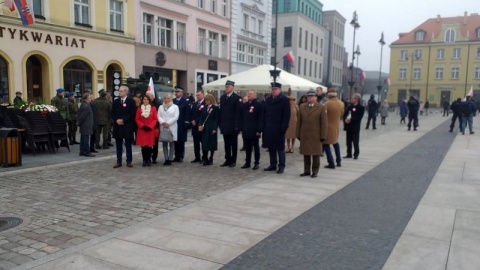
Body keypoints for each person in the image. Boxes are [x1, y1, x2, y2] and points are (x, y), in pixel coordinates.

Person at [297, 89, 328, 178]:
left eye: (311, 96)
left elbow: (324, 123)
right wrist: (298, 133)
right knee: (306, 153)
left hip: (316, 135)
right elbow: (299, 121)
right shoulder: (302, 106)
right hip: (305, 134)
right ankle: (306, 170)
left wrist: (323, 135)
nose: (309, 98)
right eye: (308, 96)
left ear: (315, 97)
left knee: (315, 154)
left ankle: (315, 171)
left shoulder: (321, 107)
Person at [262, 82, 291, 174]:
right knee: (271, 147)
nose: (273, 91)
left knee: (280, 148)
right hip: (269, 127)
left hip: (279, 128)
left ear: (280, 90)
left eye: (275, 89)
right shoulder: (268, 99)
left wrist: (283, 128)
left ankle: (281, 166)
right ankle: (273, 164)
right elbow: (265, 113)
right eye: (272, 89)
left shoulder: (284, 100)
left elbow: (286, 116)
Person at [112, 85, 137, 168]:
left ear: (126, 92)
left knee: (128, 145)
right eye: (119, 91)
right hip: (118, 126)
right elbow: (112, 113)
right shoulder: (116, 101)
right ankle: (118, 161)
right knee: (118, 145)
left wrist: (123, 120)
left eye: (121, 91)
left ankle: (129, 161)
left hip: (127, 126)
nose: (120, 92)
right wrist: (117, 120)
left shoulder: (131, 101)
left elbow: (132, 113)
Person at [218, 80, 242, 168]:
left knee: (233, 144)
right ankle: (227, 159)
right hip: (225, 125)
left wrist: (237, 125)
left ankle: (233, 160)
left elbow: (238, 113)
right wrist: (220, 124)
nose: (226, 88)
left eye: (228, 87)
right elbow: (221, 111)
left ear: (232, 88)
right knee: (226, 144)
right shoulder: (223, 97)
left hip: (232, 125)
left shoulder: (237, 98)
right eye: (225, 87)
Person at [239, 90, 263, 170]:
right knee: (247, 147)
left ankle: (256, 163)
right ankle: (247, 162)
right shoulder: (245, 105)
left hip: (254, 130)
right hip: (246, 129)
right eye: (248, 94)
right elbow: (242, 118)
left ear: (255, 95)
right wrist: (241, 128)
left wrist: (259, 130)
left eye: (251, 94)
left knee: (256, 147)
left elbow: (260, 118)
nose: (249, 95)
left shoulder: (258, 105)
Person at [323, 88, 344, 169]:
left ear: (328, 95)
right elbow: (341, 115)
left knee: (326, 144)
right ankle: (338, 160)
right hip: (336, 126)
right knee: (335, 143)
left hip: (328, 127)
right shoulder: (341, 103)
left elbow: (323, 116)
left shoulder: (327, 104)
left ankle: (331, 162)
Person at [136, 95, 158, 167]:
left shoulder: (153, 108)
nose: (145, 101)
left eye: (147, 99)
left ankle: (149, 160)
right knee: (143, 146)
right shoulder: (139, 109)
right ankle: (144, 160)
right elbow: (137, 119)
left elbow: (155, 119)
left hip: (150, 129)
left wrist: (150, 126)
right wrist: (142, 126)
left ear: (149, 100)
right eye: (144, 99)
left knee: (149, 146)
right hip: (142, 129)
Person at [158, 93, 179, 166]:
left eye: (168, 98)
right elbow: (159, 116)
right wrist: (163, 122)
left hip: (171, 126)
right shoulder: (161, 107)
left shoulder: (175, 107)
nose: (166, 100)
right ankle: (166, 158)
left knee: (172, 143)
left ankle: (170, 158)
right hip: (163, 126)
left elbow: (176, 117)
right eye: (165, 98)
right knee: (164, 143)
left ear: (171, 99)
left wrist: (168, 123)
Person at [199, 94, 219, 166]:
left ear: (211, 100)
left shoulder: (215, 108)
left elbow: (216, 119)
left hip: (211, 127)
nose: (206, 102)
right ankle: (205, 158)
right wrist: (200, 125)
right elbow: (201, 118)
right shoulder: (204, 107)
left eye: (207, 100)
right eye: (205, 100)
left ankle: (211, 157)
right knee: (204, 143)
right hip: (205, 127)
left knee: (211, 143)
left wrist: (214, 128)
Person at [343, 93, 365, 159]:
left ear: (357, 99)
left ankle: (356, 154)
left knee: (355, 141)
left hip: (355, 127)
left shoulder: (361, 107)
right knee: (348, 141)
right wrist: (345, 120)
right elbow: (345, 114)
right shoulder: (349, 106)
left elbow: (359, 117)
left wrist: (351, 120)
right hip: (349, 127)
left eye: (353, 98)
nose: (352, 99)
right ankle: (349, 153)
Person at [172, 86, 190, 163]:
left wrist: (186, 122)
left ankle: (181, 156)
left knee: (181, 141)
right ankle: (176, 155)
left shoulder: (185, 102)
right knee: (175, 140)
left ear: (182, 93)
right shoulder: (173, 101)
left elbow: (187, 113)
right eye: (175, 92)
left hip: (181, 124)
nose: (176, 93)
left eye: (178, 92)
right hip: (174, 123)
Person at [76, 93, 95, 157]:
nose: (91, 99)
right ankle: (86, 152)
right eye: (90, 98)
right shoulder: (86, 106)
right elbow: (82, 116)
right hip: (86, 124)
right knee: (85, 139)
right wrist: (79, 123)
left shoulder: (84, 104)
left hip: (85, 124)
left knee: (83, 138)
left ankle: (82, 151)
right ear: (87, 98)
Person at [190, 90, 206, 163]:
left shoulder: (205, 103)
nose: (197, 96)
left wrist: (196, 121)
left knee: (203, 142)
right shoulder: (195, 104)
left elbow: (203, 115)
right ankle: (197, 157)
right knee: (196, 143)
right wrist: (192, 120)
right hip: (194, 127)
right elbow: (192, 113)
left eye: (199, 95)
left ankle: (204, 157)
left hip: (201, 126)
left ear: (203, 95)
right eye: (196, 95)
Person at [146, 91, 160, 164]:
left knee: (155, 143)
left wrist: (156, 126)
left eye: (149, 96)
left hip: (155, 126)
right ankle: (147, 157)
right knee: (147, 143)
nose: (147, 98)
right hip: (146, 127)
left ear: (152, 96)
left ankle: (154, 157)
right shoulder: (144, 104)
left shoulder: (157, 104)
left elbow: (158, 116)